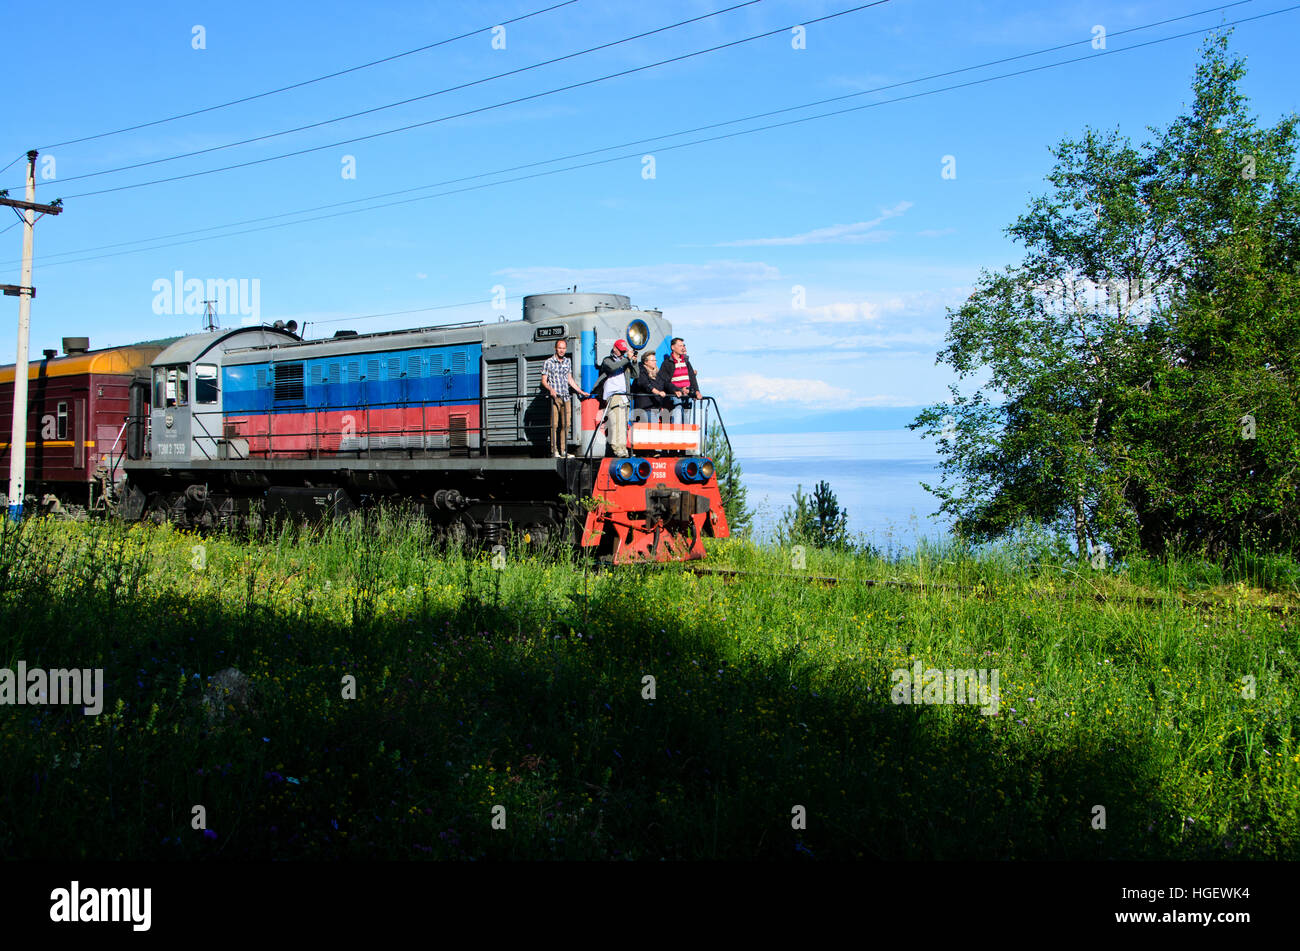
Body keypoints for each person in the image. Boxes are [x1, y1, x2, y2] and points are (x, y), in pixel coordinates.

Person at [540, 338, 588, 457]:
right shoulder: (548, 362)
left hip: (566, 397)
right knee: (554, 424)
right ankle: (554, 450)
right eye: (559, 348)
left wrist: (580, 391)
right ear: (556, 348)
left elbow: (569, 379)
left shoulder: (567, 361)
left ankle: (563, 450)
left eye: (563, 348)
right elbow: (543, 381)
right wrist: (550, 389)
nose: (562, 350)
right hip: (555, 397)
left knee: (566, 424)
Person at [592, 339, 635, 457]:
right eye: (621, 351)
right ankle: (617, 448)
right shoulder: (607, 360)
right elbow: (613, 368)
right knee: (616, 423)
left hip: (624, 396)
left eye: (624, 351)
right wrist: (627, 359)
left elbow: (635, 375)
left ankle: (622, 448)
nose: (622, 353)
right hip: (613, 395)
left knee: (624, 424)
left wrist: (634, 362)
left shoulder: (625, 362)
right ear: (614, 349)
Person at [656, 337, 702, 425]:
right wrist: (677, 390)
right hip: (676, 396)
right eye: (680, 345)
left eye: (683, 345)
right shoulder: (667, 363)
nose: (682, 348)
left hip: (688, 395)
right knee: (677, 421)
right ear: (673, 347)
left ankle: (685, 438)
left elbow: (692, 378)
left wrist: (697, 392)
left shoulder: (686, 362)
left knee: (686, 422)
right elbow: (665, 381)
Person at [632, 351, 670, 424]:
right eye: (652, 360)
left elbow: (667, 384)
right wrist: (658, 392)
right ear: (646, 362)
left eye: (655, 360)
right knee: (644, 431)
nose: (655, 362)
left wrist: (677, 390)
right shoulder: (641, 370)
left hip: (655, 407)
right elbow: (645, 384)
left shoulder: (659, 373)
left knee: (653, 432)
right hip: (643, 407)